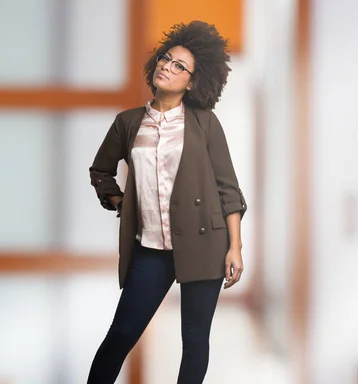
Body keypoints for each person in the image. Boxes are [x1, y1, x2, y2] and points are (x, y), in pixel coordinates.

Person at [86, 20, 247, 384]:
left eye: (179, 66)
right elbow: (101, 171)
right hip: (151, 250)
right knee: (121, 335)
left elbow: (228, 190)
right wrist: (121, 203)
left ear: (192, 82)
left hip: (205, 242)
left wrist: (235, 247)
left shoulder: (205, 123)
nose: (167, 66)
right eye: (165, 58)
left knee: (193, 342)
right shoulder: (127, 123)